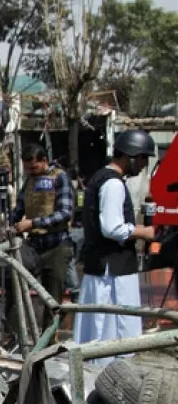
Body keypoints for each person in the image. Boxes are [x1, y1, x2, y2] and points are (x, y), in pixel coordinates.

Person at [73, 129, 157, 365]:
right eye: (143, 159)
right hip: (112, 273)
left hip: (103, 267)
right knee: (113, 335)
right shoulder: (113, 184)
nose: (143, 166)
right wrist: (145, 232)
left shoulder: (101, 178)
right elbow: (111, 227)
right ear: (131, 156)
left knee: (99, 334)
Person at [7, 144, 73, 334]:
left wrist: (33, 223)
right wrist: (11, 224)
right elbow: (19, 207)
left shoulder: (60, 178)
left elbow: (65, 213)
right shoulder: (29, 180)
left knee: (52, 298)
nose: (31, 172)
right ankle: (13, 334)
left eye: (34, 168)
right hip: (34, 245)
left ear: (44, 161)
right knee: (15, 283)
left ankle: (48, 340)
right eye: (27, 168)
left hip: (56, 244)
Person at [65, 174, 86, 300]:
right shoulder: (80, 192)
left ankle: (74, 289)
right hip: (80, 229)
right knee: (72, 259)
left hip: (75, 229)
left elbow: (76, 209)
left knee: (70, 260)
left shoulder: (78, 194)